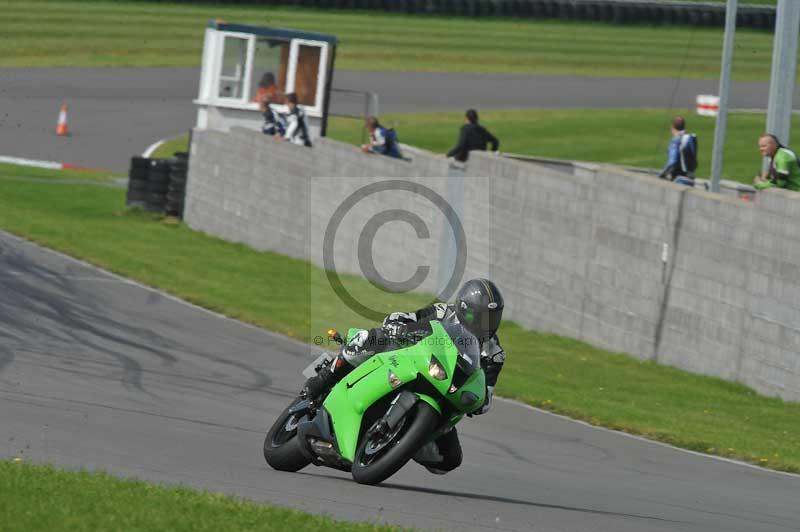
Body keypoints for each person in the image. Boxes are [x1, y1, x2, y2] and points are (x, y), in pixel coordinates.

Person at [303, 278, 506, 475]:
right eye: (480, 316)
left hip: (447, 392)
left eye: (492, 317)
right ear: (464, 309)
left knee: (449, 460)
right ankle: (323, 379)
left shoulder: (494, 354)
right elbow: (408, 318)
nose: (486, 323)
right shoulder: (444, 312)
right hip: (413, 361)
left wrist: (478, 402)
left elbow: (486, 393)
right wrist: (397, 324)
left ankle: (403, 441)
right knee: (371, 339)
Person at [658, 116, 698, 186]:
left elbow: (672, 162)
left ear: (672, 127)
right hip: (690, 177)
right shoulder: (689, 138)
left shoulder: (676, 141)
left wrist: (661, 175)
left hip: (679, 179)